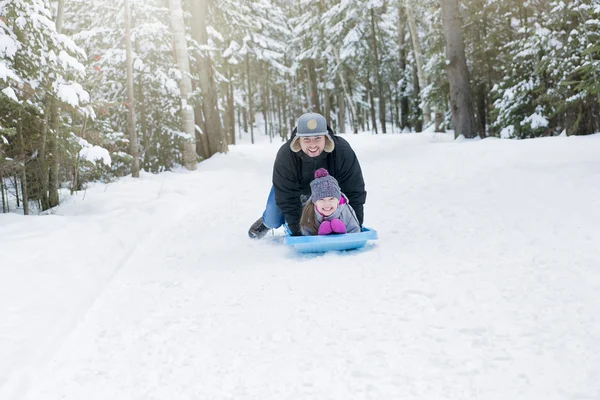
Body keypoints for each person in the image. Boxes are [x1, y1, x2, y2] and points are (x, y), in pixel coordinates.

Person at [248, 112, 366, 239]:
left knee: (330, 213)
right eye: (307, 139)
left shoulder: (342, 151)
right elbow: (286, 199)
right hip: (294, 191)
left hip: (328, 193)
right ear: (298, 140)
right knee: (273, 219)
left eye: (317, 138)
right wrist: (299, 234)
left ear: (325, 138)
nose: (313, 145)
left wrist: (356, 225)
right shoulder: (286, 155)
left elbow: (354, 190)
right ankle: (266, 221)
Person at [299, 168, 361, 236]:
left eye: (331, 199)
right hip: (318, 244)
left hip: (344, 242)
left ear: (338, 200)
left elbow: (355, 231)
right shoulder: (309, 212)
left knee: (336, 225)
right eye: (321, 199)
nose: (327, 204)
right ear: (315, 202)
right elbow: (306, 236)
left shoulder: (346, 211)